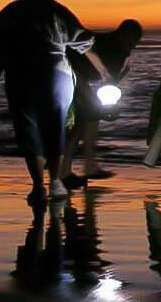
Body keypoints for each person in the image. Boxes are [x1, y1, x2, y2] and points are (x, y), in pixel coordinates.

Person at [0, 0, 107, 206]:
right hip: (55, 74)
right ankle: (55, 182)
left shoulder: (12, 10)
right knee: (56, 127)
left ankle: (38, 186)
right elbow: (85, 43)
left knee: (28, 130)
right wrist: (105, 73)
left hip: (20, 75)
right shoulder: (58, 11)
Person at [61, 19, 144, 187]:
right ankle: (64, 172)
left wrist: (110, 103)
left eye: (136, 41)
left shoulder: (119, 50)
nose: (134, 45)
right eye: (132, 40)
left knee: (90, 121)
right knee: (77, 126)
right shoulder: (108, 47)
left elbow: (109, 81)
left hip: (82, 81)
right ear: (124, 36)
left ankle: (88, 166)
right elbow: (78, 66)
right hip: (69, 77)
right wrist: (86, 92)